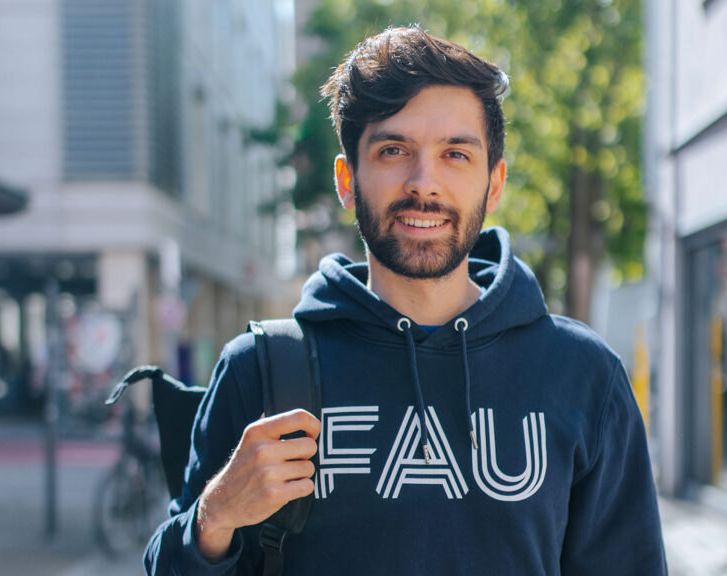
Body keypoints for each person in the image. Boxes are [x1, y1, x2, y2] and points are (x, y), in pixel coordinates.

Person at [145, 26, 666, 575]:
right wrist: (215, 517)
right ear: (348, 180)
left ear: (493, 183)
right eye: (394, 150)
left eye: (455, 155)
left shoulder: (582, 374)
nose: (425, 182)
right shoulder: (262, 369)